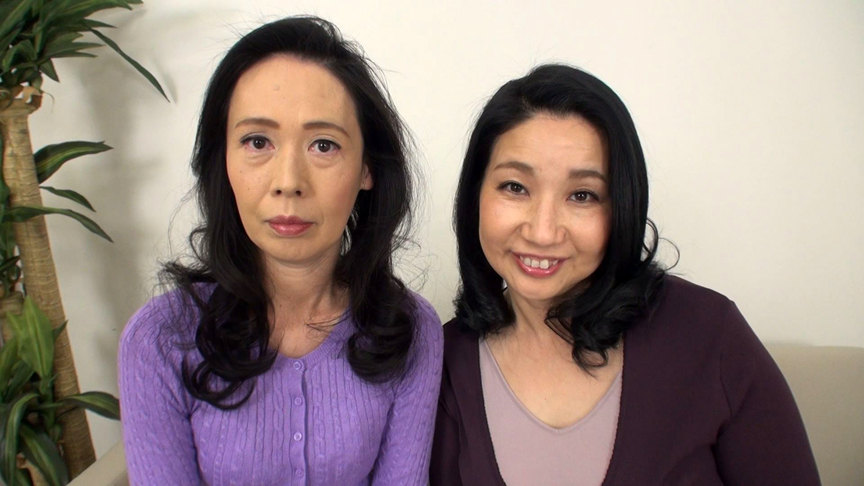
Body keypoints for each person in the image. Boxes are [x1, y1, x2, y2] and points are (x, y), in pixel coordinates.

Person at [431, 64, 820, 485]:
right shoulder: (442, 365)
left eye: (582, 195)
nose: (542, 231)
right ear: (475, 196)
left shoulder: (708, 334)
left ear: (622, 207)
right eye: (515, 187)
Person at [119, 17, 442, 485]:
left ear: (367, 168)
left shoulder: (410, 330)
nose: (288, 182)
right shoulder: (159, 339)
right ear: (223, 160)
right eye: (257, 142)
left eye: (324, 145)